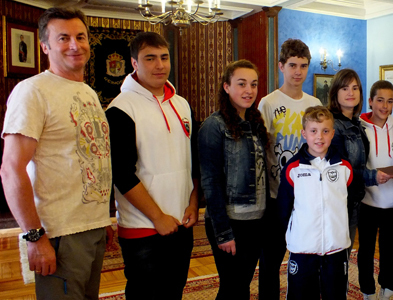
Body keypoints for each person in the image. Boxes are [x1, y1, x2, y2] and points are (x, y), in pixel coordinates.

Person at [0, 7, 113, 299]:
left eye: (81, 37)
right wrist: (34, 236)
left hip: (91, 227)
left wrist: (101, 221)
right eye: (63, 38)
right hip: (59, 233)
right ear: (45, 46)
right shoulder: (33, 91)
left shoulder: (87, 92)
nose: (75, 45)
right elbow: (11, 169)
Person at [106, 31, 199, 299]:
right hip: (142, 227)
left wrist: (193, 204)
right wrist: (157, 217)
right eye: (150, 58)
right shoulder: (121, 108)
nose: (160, 65)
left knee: (173, 293)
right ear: (134, 63)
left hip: (181, 222)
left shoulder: (181, 104)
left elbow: (191, 162)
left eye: (164, 57)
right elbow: (121, 174)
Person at [198, 60, 269, 299]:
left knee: (241, 285)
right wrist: (223, 232)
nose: (249, 90)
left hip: (256, 220)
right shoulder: (214, 126)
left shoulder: (255, 124)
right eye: (241, 84)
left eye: (253, 84)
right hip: (231, 222)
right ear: (227, 87)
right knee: (234, 287)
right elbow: (210, 182)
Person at [257, 38, 322, 299]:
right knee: (271, 259)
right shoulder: (268, 103)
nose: (298, 71)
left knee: (306, 256)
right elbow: (260, 150)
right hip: (276, 194)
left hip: (306, 196)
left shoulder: (314, 102)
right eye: (292, 65)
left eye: (303, 66)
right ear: (281, 66)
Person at [278, 106, 353, 300]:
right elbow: (284, 208)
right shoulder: (293, 169)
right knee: (301, 296)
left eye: (325, 131)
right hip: (303, 248)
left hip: (335, 248)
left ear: (332, 133)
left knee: (335, 295)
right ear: (304, 134)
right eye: (313, 131)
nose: (319, 137)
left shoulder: (344, 167)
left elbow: (349, 202)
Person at [328, 68, 393, 255]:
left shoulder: (356, 124)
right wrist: (373, 176)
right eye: (345, 88)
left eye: (355, 88)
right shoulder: (333, 125)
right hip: (338, 202)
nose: (351, 93)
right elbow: (339, 170)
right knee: (335, 256)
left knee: (343, 256)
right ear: (335, 93)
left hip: (354, 200)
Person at [357, 80, 393, 300]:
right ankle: (367, 290)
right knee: (365, 250)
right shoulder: (359, 128)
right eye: (380, 100)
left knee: (389, 248)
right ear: (370, 101)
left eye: (390, 101)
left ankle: (387, 287)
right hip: (367, 201)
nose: (385, 106)